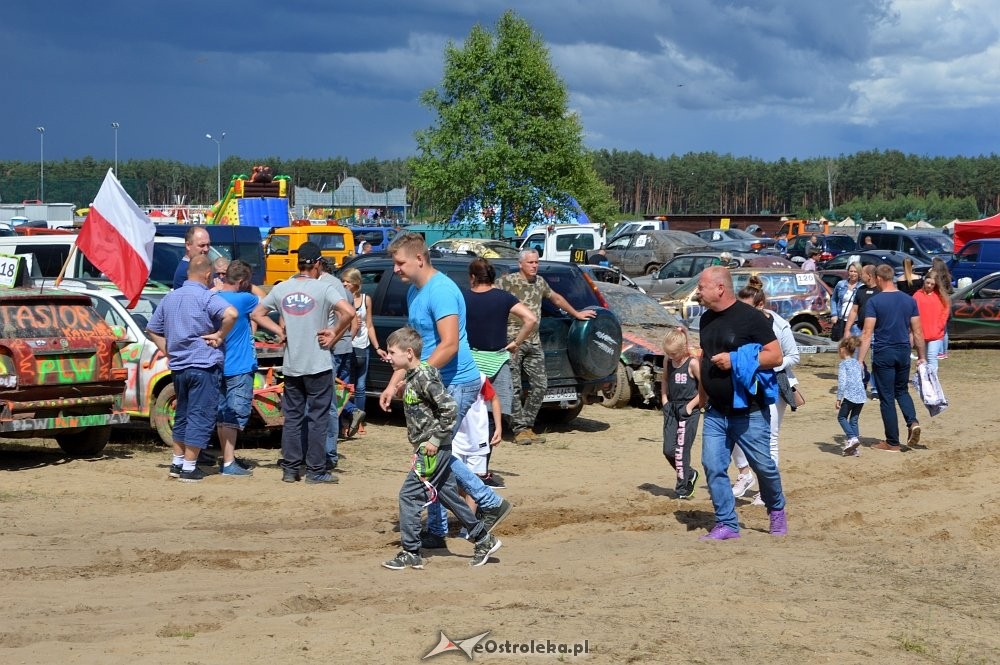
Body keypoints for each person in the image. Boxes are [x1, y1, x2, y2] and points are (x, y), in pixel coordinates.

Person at [378, 233, 512, 550]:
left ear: (419, 259)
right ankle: (443, 527)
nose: (395, 269)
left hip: (458, 381)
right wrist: (393, 381)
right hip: (436, 382)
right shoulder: (414, 292)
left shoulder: (442, 291)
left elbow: (449, 345)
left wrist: (413, 379)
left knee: (434, 454)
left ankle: (487, 503)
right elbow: (411, 348)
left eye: (400, 263)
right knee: (437, 456)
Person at [380, 327, 500, 570]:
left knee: (408, 495)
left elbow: (450, 409)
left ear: (409, 352)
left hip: (432, 450)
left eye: (392, 352)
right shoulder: (414, 377)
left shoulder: (424, 376)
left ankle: (411, 552)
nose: (388, 357)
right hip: (428, 448)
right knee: (447, 495)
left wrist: (434, 441)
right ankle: (483, 538)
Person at [694, 266, 787, 540]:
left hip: (750, 411)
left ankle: (776, 508)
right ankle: (727, 524)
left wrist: (734, 360)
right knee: (713, 466)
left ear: (720, 288)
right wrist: (701, 397)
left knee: (763, 466)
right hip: (715, 411)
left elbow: (775, 356)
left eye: (701, 286)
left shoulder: (751, 318)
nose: (698, 291)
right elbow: (704, 359)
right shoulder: (705, 319)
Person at [254, 242, 355, 483]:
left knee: (292, 418)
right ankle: (316, 470)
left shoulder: (282, 288)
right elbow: (349, 313)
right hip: (318, 364)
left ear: (298, 263)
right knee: (318, 419)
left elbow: (256, 313)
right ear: (318, 264)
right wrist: (334, 332)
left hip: (292, 365)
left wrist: (280, 331)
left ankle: (290, 469)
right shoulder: (324, 288)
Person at [145, 255, 238, 482]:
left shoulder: (170, 297)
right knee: (200, 415)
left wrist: (168, 350)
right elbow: (232, 314)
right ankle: (189, 467)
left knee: (183, 414)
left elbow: (152, 328)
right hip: (203, 365)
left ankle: (177, 464)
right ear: (207, 275)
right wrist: (219, 335)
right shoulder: (206, 297)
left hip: (179, 367)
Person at [496, 249, 596, 445]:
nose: (534, 266)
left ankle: (527, 425)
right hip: (512, 342)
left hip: (534, 341)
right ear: (520, 264)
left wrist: (576, 314)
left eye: (536, 262)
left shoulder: (540, 282)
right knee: (514, 387)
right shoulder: (507, 282)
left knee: (541, 385)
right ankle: (518, 429)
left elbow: (556, 298)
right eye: (530, 262)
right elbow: (490, 297)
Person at [729, 276, 800, 506]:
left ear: (760, 305)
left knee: (769, 438)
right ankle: (744, 474)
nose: (740, 311)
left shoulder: (779, 324)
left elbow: (793, 356)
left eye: (746, 307)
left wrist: (769, 364)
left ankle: (766, 489)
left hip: (775, 383)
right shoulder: (736, 322)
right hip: (744, 382)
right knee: (735, 431)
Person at [215, 259, 286, 476]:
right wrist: (250, 285)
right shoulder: (244, 298)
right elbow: (266, 301)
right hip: (239, 365)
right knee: (234, 415)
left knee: (222, 414)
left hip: (219, 363)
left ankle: (228, 458)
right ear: (243, 281)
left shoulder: (214, 297)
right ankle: (229, 463)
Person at [463, 258, 538, 442]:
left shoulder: (462, 298)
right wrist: (516, 343)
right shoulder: (504, 298)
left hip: (470, 361)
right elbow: (531, 319)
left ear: (472, 277)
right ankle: (485, 452)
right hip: (497, 361)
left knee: (468, 410)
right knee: (492, 411)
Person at [857, 264, 926, 452]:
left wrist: (859, 360)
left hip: (884, 352)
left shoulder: (875, 302)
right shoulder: (909, 300)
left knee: (887, 397)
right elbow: (918, 332)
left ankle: (892, 442)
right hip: (903, 351)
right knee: (901, 390)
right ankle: (913, 422)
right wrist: (921, 356)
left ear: (878, 278)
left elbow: (867, 333)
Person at [317, 258, 362, 464]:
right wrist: (348, 339)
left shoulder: (329, 288)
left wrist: (333, 339)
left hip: (334, 349)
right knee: (340, 390)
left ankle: (351, 412)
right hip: (344, 347)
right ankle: (347, 419)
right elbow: (354, 322)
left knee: (332, 396)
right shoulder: (344, 292)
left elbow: (348, 317)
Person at [452, 372, 503, 515]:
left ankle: (468, 523)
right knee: (452, 483)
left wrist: (498, 428)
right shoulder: (444, 374)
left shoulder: (479, 377)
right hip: (454, 438)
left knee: (472, 482)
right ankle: (481, 501)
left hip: (477, 438)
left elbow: (494, 398)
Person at [660, 326, 701, 500]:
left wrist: (690, 406)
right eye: (668, 353)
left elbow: (704, 389)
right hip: (671, 408)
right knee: (668, 450)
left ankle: (682, 490)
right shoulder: (668, 361)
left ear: (683, 349)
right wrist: (664, 400)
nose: (671, 357)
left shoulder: (692, 363)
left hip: (688, 410)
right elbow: (664, 379)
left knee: (681, 451)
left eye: (673, 354)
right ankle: (690, 473)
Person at [341, 267, 384, 424]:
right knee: (345, 385)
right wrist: (351, 325)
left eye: (348, 281)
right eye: (343, 281)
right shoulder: (342, 300)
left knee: (360, 386)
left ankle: (358, 419)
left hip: (362, 345)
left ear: (356, 283)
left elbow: (369, 325)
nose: (344, 284)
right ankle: (345, 417)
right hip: (347, 345)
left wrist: (377, 347)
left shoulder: (366, 299)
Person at [845, 264, 881, 398]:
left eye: (863, 274)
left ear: (870, 276)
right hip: (860, 330)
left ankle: (876, 389)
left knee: (875, 361)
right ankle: (861, 382)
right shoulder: (860, 290)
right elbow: (854, 310)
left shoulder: (880, 290)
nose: (860, 276)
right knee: (856, 359)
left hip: (877, 332)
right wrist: (847, 329)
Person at [912, 270, 950, 374]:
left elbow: (945, 312)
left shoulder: (940, 296)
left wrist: (940, 325)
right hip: (921, 333)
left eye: (932, 284)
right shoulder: (917, 295)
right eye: (927, 283)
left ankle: (933, 378)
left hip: (936, 334)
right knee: (922, 358)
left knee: (932, 356)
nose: (929, 286)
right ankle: (924, 378)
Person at [836, 335, 867, 456]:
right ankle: (854, 449)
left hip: (850, 396)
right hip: (861, 396)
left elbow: (842, 383)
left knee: (841, 417)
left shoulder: (843, 364)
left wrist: (839, 398)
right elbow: (863, 377)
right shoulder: (858, 363)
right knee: (854, 420)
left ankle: (852, 438)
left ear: (842, 350)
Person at [831, 262, 863, 337]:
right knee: (840, 342)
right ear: (848, 272)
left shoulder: (862, 287)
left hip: (855, 322)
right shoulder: (841, 284)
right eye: (851, 271)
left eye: (855, 271)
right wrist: (834, 314)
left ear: (859, 273)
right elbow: (833, 299)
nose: (853, 273)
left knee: (853, 343)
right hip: (841, 320)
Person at [931, 257, 954, 359]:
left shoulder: (937, 279)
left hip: (939, 304)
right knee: (944, 330)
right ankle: (944, 351)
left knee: (940, 329)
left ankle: (940, 352)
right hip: (946, 304)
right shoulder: (947, 278)